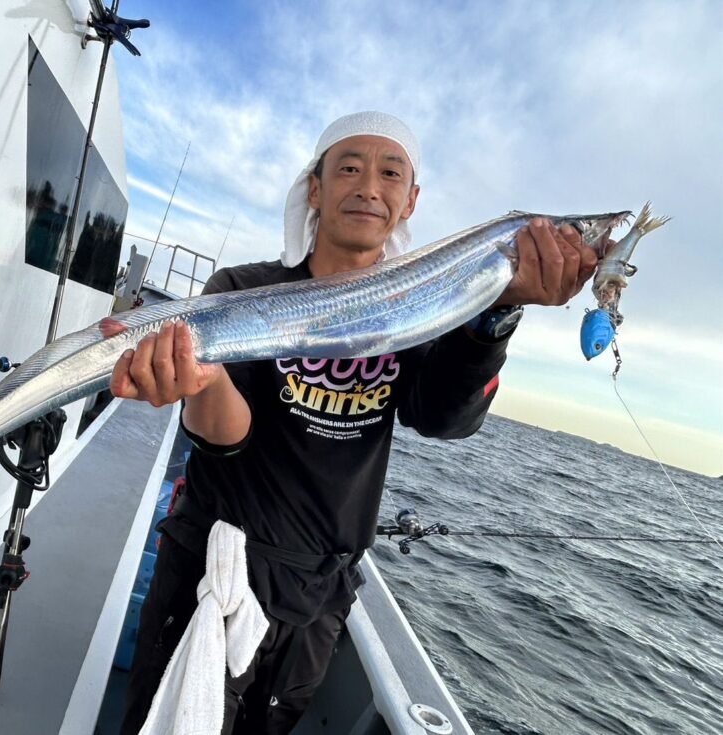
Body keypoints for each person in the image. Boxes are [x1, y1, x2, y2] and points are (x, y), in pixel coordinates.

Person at [112, 111, 598, 734]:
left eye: (390, 172)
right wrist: (201, 381)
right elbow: (226, 439)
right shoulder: (242, 289)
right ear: (314, 188)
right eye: (348, 168)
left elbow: (443, 418)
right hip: (217, 568)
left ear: (410, 200)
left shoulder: (415, 312)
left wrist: (497, 311)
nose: (369, 186)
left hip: (321, 596)